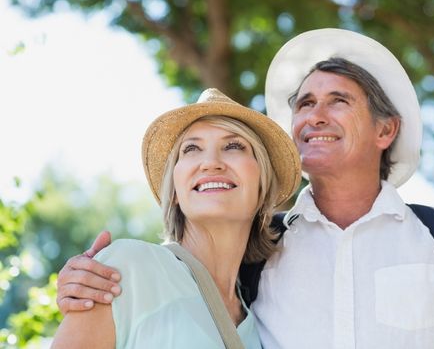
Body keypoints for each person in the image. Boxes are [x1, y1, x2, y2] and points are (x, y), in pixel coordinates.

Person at [55, 29, 434, 348]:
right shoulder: (256, 259)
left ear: (386, 131)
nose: (314, 115)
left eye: (338, 100)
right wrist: (85, 284)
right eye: (304, 103)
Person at [50, 88, 301, 348]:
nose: (211, 162)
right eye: (191, 148)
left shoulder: (260, 327)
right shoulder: (128, 267)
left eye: (233, 146)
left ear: (262, 185)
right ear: (175, 193)